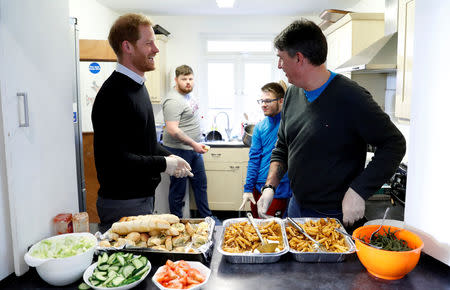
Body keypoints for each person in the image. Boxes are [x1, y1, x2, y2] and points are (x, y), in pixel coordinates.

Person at [257, 19, 406, 227]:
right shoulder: (292, 93)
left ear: (299, 58)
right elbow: (282, 146)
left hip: (333, 215)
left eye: (281, 58)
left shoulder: (351, 97)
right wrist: (269, 187)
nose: (279, 66)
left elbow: (394, 144)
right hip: (296, 206)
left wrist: (359, 191)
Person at [92, 13, 192, 232]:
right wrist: (164, 165)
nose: (156, 49)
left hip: (141, 198)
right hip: (123, 203)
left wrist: (169, 156)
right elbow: (116, 160)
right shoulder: (114, 94)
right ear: (127, 46)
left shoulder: (138, 86)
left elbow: (142, 142)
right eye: (149, 43)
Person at [162, 65, 216, 221]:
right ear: (176, 80)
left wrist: (197, 142)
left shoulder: (188, 95)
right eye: (184, 79)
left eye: (190, 79)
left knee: (200, 185)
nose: (188, 82)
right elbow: (172, 129)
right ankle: (176, 223)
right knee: (178, 190)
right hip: (178, 150)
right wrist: (194, 144)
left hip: (193, 149)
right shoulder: (173, 100)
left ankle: (207, 220)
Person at [239, 81, 292, 218]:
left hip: (279, 188)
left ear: (281, 101)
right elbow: (254, 160)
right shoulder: (259, 127)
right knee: (256, 229)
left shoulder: (289, 124)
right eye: (261, 101)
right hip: (257, 187)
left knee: (272, 232)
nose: (263, 105)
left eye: (268, 101)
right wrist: (248, 188)